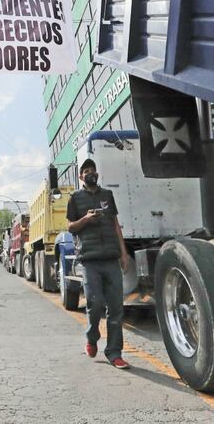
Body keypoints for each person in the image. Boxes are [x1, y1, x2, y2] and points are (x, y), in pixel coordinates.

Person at [66, 157, 131, 369]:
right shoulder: (75, 198)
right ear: (80, 176)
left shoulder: (107, 195)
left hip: (111, 258)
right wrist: (85, 220)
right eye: (86, 170)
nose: (90, 173)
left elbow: (115, 225)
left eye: (93, 169)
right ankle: (92, 338)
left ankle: (114, 352)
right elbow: (70, 227)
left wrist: (123, 253)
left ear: (97, 173)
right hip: (90, 260)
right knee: (94, 305)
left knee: (116, 308)